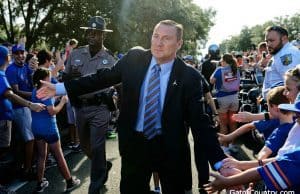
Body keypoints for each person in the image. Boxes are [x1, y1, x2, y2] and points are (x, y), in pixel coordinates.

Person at [36, 19, 230, 194]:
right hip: (135, 146)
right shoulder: (134, 59)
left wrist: (221, 161)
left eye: (166, 38)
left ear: (178, 44)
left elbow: (200, 123)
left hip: (171, 151)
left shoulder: (190, 76)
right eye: (155, 36)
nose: (158, 42)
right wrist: (60, 88)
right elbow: (101, 78)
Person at [62, 16, 115, 194]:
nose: (91, 36)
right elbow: (65, 77)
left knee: (98, 145)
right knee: (85, 146)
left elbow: (118, 85)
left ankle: (95, 186)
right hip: (80, 107)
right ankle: (102, 165)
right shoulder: (76, 54)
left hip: (100, 107)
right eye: (89, 32)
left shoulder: (110, 59)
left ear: (103, 36)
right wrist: (73, 79)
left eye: (96, 33)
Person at [204, 96, 300, 193]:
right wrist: (240, 165)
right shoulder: (289, 123)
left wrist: (228, 182)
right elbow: (279, 159)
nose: (296, 119)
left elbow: (266, 163)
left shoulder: (282, 134)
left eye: (299, 116)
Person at [31, 68, 80, 193]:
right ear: (44, 79)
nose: (50, 79)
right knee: (59, 155)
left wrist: (59, 95)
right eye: (49, 77)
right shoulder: (45, 90)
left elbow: (49, 100)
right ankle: (70, 181)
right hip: (49, 128)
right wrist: (63, 101)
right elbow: (52, 111)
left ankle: (40, 183)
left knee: (41, 156)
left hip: (36, 128)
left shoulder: (34, 90)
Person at [5, 44, 36, 179]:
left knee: (25, 140)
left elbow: (34, 82)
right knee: (30, 139)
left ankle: (25, 166)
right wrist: (34, 95)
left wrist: (35, 70)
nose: (20, 55)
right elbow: (16, 92)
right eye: (17, 53)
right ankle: (27, 170)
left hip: (27, 106)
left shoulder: (25, 67)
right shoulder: (11, 69)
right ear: (12, 55)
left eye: (22, 52)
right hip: (19, 108)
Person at [210, 53, 240, 151]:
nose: (220, 62)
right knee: (233, 123)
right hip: (235, 98)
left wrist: (217, 68)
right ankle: (233, 145)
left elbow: (211, 81)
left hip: (223, 99)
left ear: (224, 61)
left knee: (223, 124)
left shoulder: (219, 70)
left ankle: (224, 147)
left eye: (221, 61)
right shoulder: (236, 69)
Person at [262, 26, 300, 99]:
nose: (268, 44)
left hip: (283, 104)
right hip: (277, 103)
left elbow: (293, 85)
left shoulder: (287, 54)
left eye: (272, 40)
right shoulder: (280, 53)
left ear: (284, 39)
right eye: (267, 41)